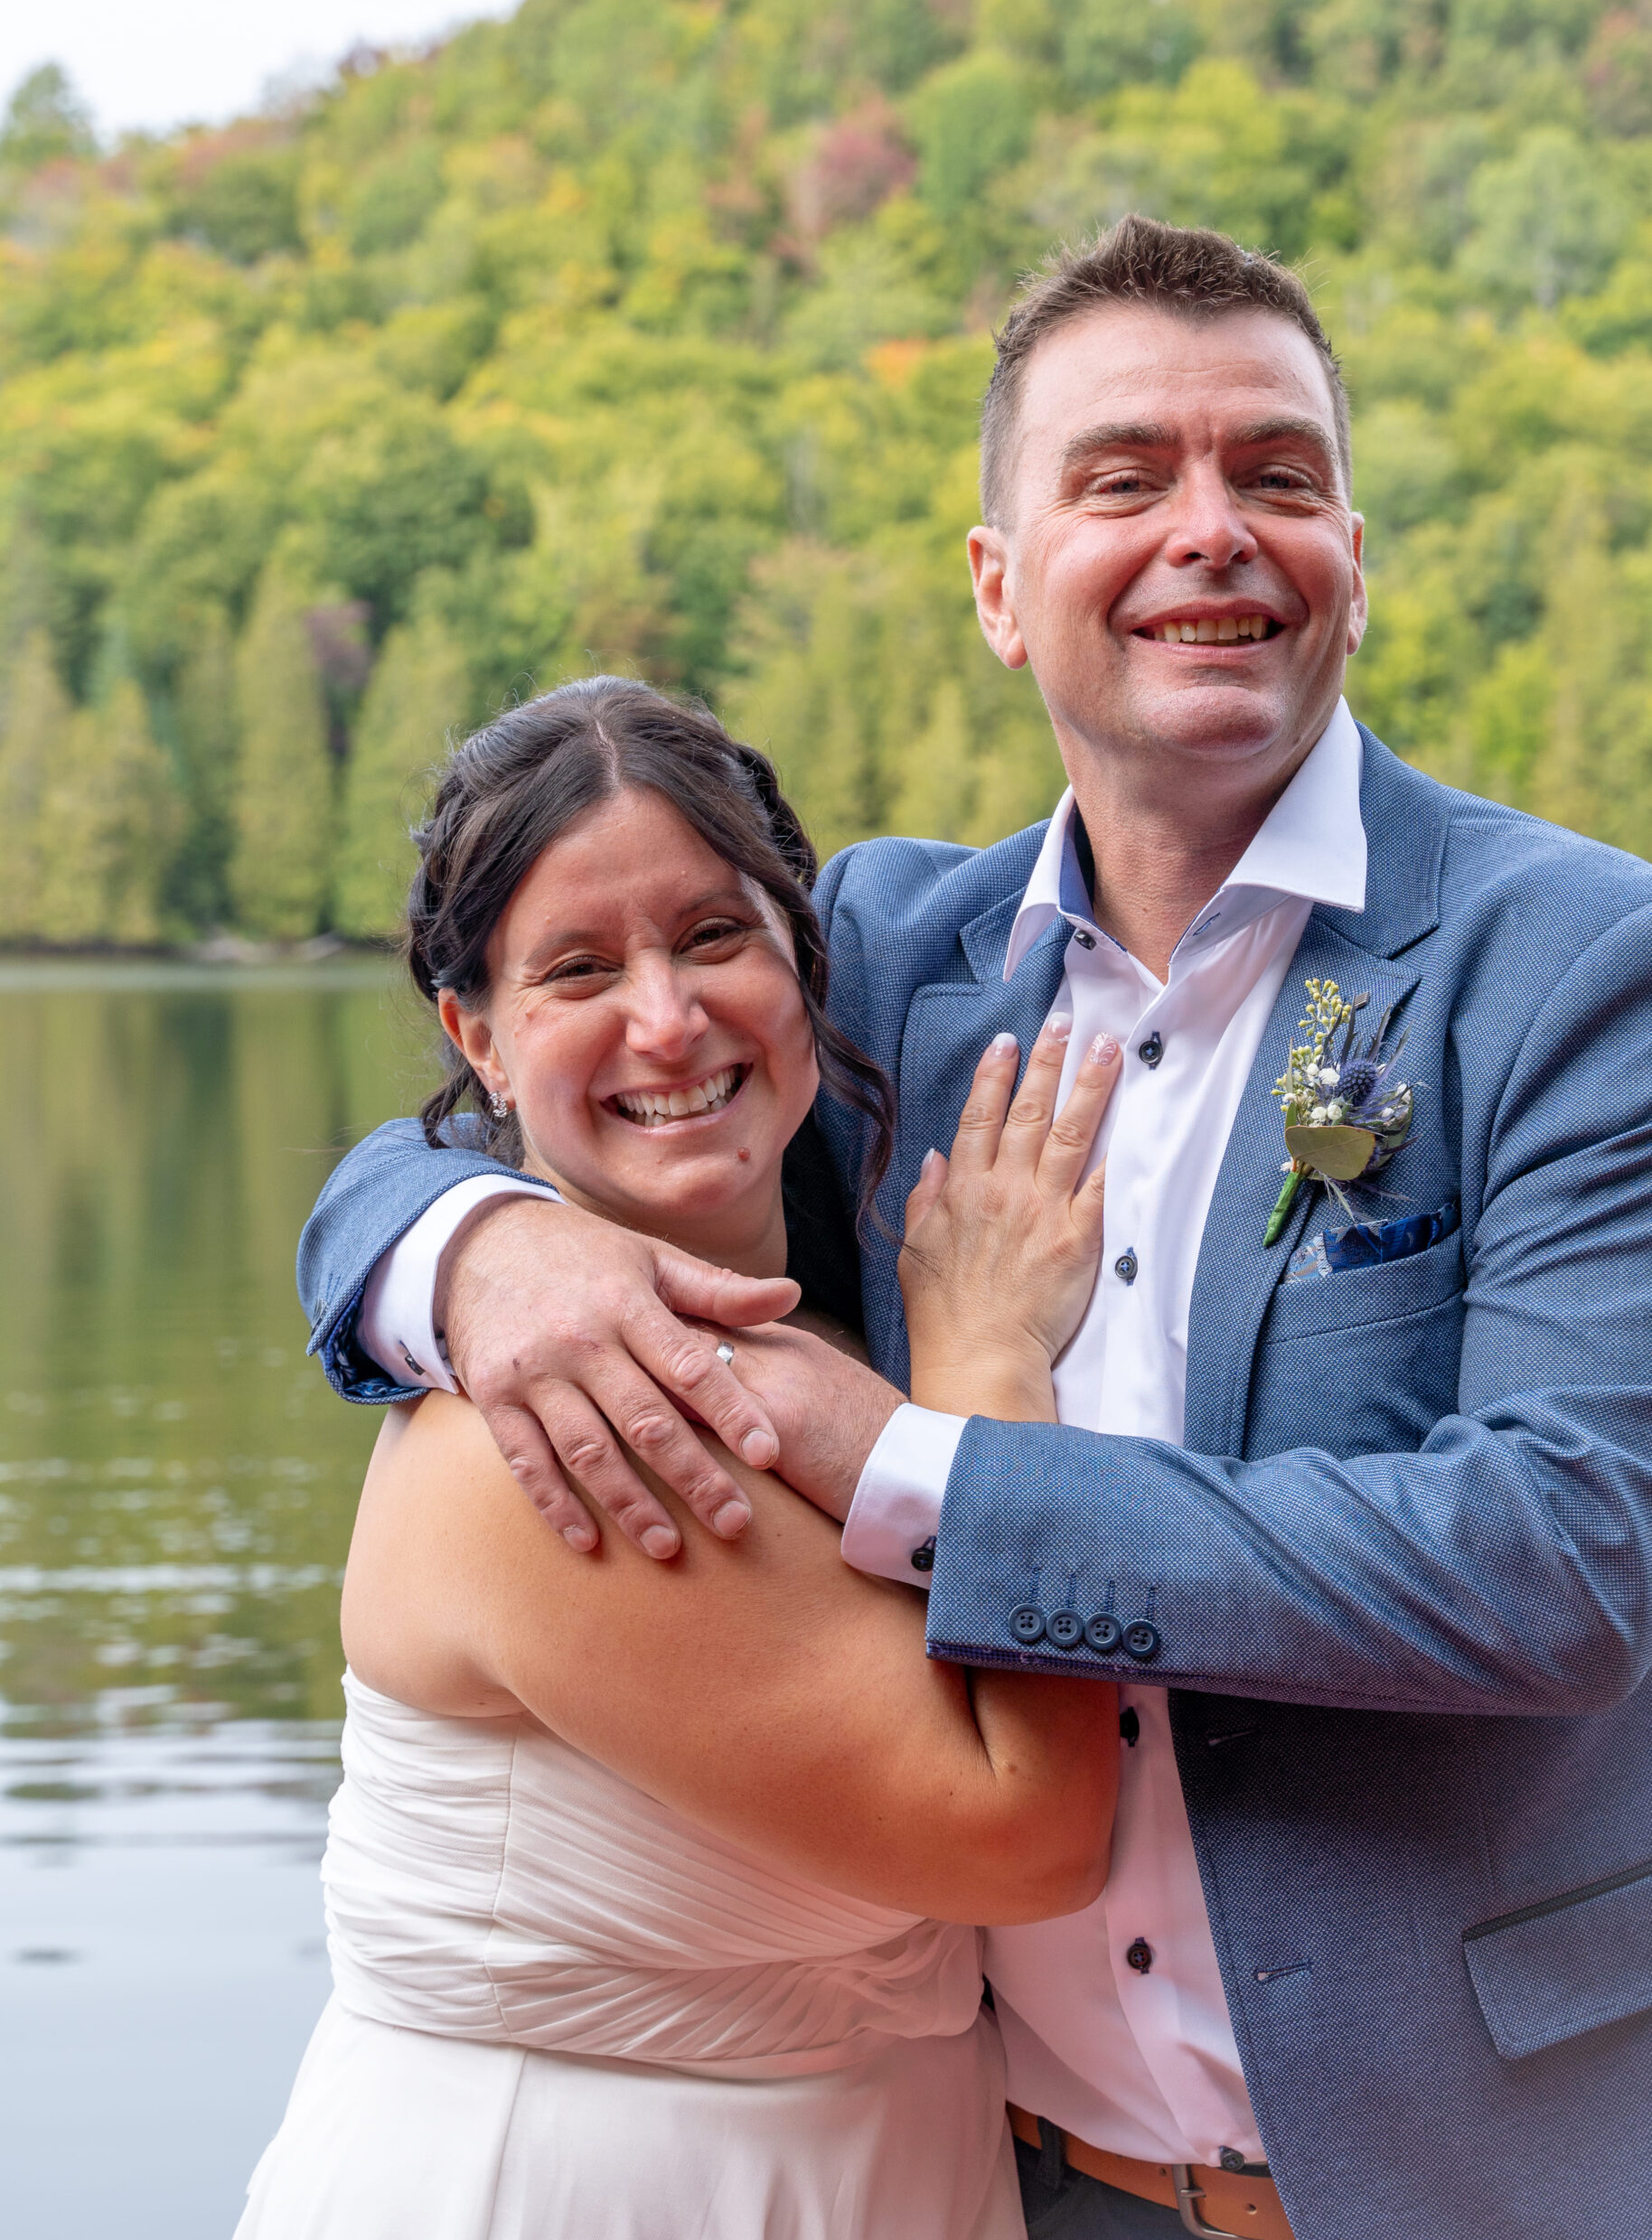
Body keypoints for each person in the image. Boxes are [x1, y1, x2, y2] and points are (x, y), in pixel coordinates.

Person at [300, 218, 1652, 2240]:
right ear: (999, 588)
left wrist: (931, 1459)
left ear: (1348, 555)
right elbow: (587, 1069)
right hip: (1019, 2178)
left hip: (1453, 2174)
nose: (1211, 529)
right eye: (1124, 478)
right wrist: (472, 1249)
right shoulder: (889, 955)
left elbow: (1557, 1558)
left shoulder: (1568, 958)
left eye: (1274, 473)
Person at [245, 681, 1123, 2240]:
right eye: (578, 970)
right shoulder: (543, 1435)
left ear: (805, 962)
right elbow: (1027, 1831)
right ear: (478, 1038)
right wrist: (989, 1360)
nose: (665, 1020)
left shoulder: (841, 1309)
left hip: (887, 2171)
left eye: (715, 937)